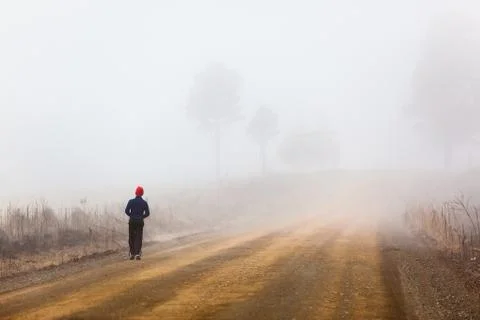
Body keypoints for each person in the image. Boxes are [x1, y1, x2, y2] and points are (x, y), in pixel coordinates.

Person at [125, 185, 150, 260]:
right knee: (139, 237)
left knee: (131, 237)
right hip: (139, 222)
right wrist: (141, 217)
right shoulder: (144, 203)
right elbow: (147, 213)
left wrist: (131, 216)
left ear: (135, 193)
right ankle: (137, 254)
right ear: (142, 193)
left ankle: (132, 254)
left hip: (132, 221)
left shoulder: (131, 201)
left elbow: (126, 211)